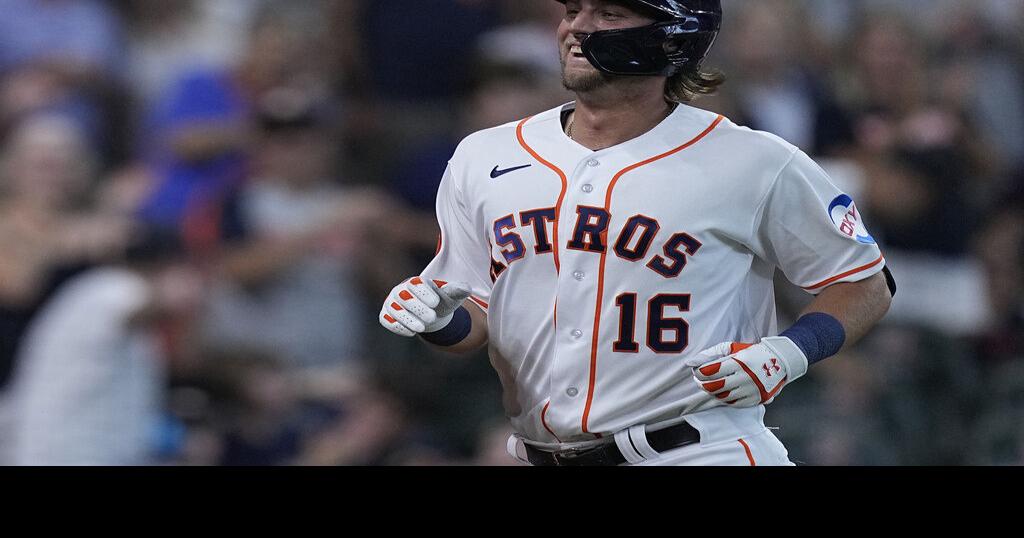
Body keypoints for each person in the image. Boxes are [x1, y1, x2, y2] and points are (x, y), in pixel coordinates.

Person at [379, 0, 895, 466]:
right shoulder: (485, 155)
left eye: (609, 14)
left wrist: (791, 352)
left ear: (674, 35)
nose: (576, 27)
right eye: (574, 9)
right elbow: (480, 312)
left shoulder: (752, 161)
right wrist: (439, 320)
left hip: (700, 451)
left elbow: (865, 282)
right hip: (539, 453)